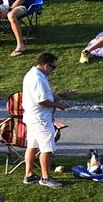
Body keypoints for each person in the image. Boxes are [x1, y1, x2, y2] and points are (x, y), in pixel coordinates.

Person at [20, 52, 72, 187]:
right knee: (47, 148)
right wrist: (59, 105)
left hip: (33, 117)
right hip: (40, 119)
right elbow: (41, 101)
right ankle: (46, 178)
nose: (53, 71)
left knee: (32, 146)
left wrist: (59, 96)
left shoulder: (35, 75)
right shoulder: (37, 79)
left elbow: (45, 95)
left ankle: (29, 175)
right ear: (46, 66)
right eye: (53, 67)